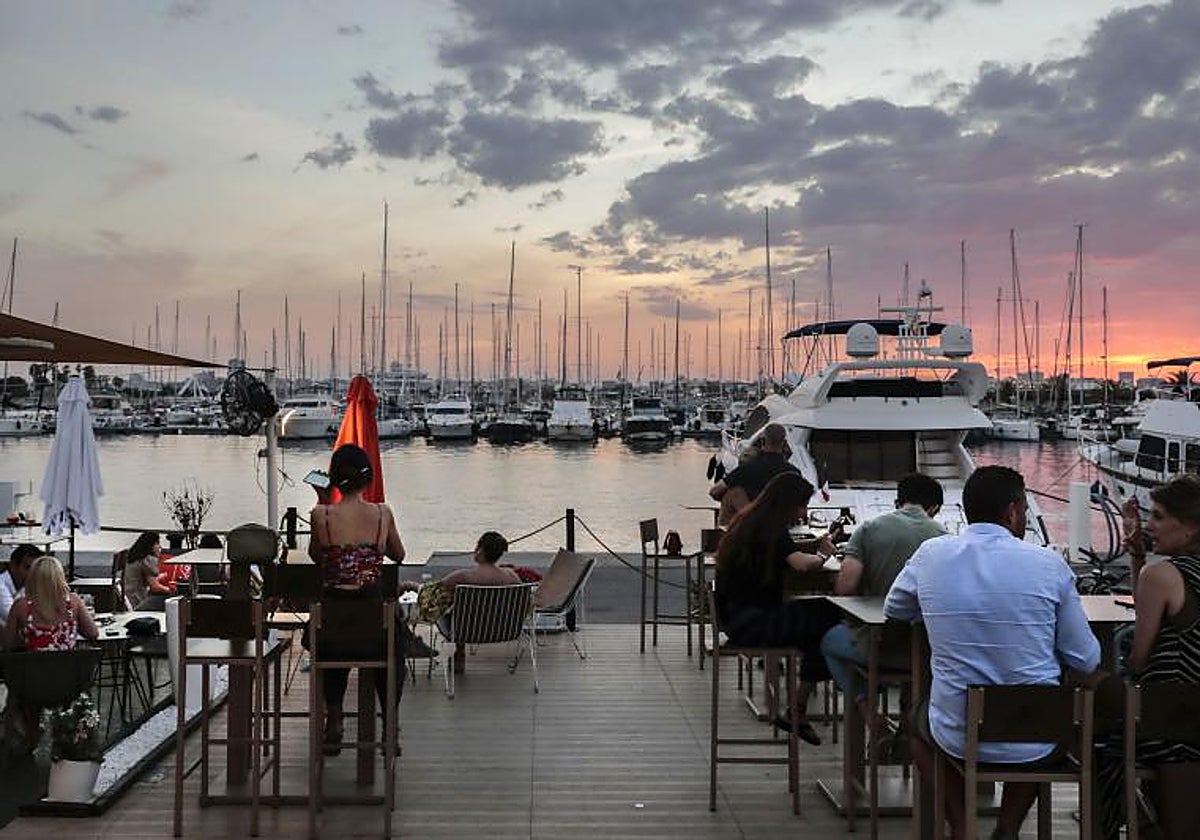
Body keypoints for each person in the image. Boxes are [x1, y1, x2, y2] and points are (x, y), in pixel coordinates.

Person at [884, 465, 1100, 840]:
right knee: (1037, 721)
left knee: (916, 728)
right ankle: (1008, 826)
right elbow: (1086, 659)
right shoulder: (1049, 564)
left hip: (957, 729)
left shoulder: (931, 555)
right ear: (1014, 511)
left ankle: (962, 825)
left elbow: (895, 610)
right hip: (1039, 732)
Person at [1096, 476, 1200, 838]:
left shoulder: (1162, 574)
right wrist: (1138, 553)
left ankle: (1125, 822)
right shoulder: (1163, 574)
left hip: (1171, 720)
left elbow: (1140, 658)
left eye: (1157, 516)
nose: (1151, 525)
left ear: (1189, 528)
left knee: (1096, 711)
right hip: (1189, 713)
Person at [714, 471, 840, 745]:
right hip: (753, 624)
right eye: (802, 505)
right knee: (829, 612)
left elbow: (784, 550)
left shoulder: (753, 521)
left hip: (736, 620)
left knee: (816, 626)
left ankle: (799, 706)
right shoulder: (771, 528)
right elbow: (801, 565)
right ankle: (820, 690)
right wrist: (823, 554)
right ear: (788, 503)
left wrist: (811, 544)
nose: (804, 512)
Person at [308, 443, 408, 756]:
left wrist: (323, 503)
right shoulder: (382, 513)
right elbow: (398, 554)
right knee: (394, 649)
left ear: (333, 479)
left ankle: (334, 717)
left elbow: (316, 557)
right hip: (373, 632)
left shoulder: (320, 515)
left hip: (332, 633)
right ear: (368, 478)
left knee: (333, 635)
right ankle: (389, 723)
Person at [821, 473, 945, 719]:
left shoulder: (868, 529)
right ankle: (910, 723)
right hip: (927, 650)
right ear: (934, 508)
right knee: (916, 665)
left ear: (898, 501)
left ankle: (867, 711)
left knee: (829, 642)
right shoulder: (944, 539)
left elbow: (845, 588)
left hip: (878, 646)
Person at [437, 531, 522, 674]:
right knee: (466, 611)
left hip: (464, 631)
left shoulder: (463, 577)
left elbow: (432, 592)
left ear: (480, 550)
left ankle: (460, 651)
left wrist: (410, 586)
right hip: (504, 631)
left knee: (455, 612)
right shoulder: (511, 576)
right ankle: (459, 653)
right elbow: (523, 602)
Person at [709, 423, 799, 525]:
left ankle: (724, 535)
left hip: (752, 527)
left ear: (762, 441)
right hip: (783, 527)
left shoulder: (747, 469)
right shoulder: (794, 472)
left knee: (731, 494)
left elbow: (714, 492)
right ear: (784, 443)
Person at [3, 555, 99, 650]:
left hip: (33, 664)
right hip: (67, 663)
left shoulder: (21, 606)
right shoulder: (73, 601)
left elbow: (8, 644)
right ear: (60, 578)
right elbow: (93, 633)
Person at [124, 531, 171, 610]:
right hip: (138, 600)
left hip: (127, 598)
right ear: (150, 545)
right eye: (157, 543)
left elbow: (144, 578)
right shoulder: (148, 560)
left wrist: (160, 577)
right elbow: (155, 587)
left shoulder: (133, 556)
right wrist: (172, 590)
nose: (160, 547)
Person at [0, 544, 40, 625]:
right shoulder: (0, 586)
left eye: (35, 569)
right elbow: (14, 617)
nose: (32, 573)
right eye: (28, 568)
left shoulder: (25, 585)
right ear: (13, 565)